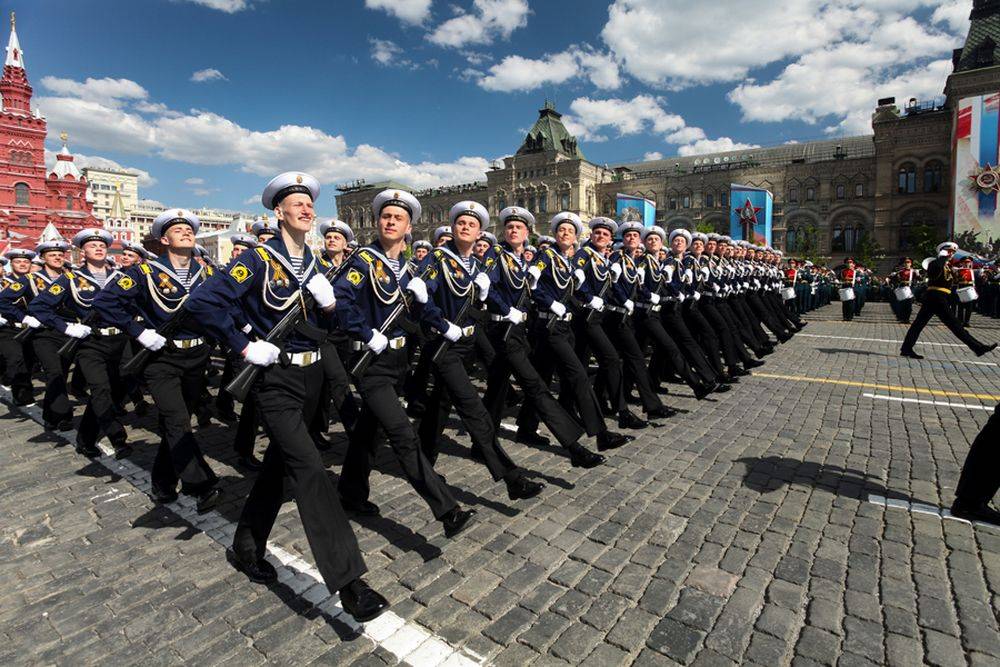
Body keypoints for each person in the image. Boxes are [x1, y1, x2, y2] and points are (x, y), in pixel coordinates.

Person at [186, 172, 389, 622]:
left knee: (282, 468)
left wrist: (333, 306)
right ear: (278, 212)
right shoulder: (258, 260)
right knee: (311, 470)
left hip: (313, 377)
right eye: (296, 203)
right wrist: (241, 344)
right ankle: (351, 584)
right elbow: (203, 304)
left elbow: (333, 328)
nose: (306, 209)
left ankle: (246, 544)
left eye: (309, 204)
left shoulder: (313, 264)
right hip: (275, 380)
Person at [332, 188, 476, 537]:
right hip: (372, 360)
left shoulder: (408, 268)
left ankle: (350, 492)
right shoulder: (363, 260)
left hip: (397, 360)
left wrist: (446, 327)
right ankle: (447, 510)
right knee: (402, 434)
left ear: (409, 226)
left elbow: (423, 309)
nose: (390, 221)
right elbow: (340, 299)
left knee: (369, 430)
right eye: (386, 216)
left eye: (398, 217)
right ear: (378, 222)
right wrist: (364, 332)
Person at [414, 200, 544, 500]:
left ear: (480, 233)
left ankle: (423, 457)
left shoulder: (474, 265)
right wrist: (442, 324)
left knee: (440, 405)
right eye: (461, 223)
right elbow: (422, 297)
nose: (466, 227)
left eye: (472, 225)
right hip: (444, 344)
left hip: (465, 345)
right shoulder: (437, 259)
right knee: (473, 409)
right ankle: (511, 477)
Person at [96, 211, 224, 511]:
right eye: (178, 230)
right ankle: (199, 483)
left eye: (189, 229)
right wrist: (139, 332)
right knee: (177, 420)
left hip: (197, 357)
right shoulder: (145, 273)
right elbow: (105, 302)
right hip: (161, 358)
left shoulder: (206, 274)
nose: (186, 233)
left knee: (177, 425)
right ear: (164, 240)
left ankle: (162, 483)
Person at [481, 206, 604, 468]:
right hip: (502, 330)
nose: (514, 231)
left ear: (527, 232)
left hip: (519, 331)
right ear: (505, 230)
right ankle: (574, 447)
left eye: (519, 227)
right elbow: (488, 287)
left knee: (497, 389)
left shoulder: (523, 259)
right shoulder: (496, 254)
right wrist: (507, 310)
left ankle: (483, 443)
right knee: (535, 386)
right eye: (510, 227)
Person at [515, 211, 633, 453]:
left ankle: (526, 428)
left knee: (543, 378)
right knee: (579, 375)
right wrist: (548, 301)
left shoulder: (567, 261)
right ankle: (600, 434)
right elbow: (531, 284)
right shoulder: (546, 254)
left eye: (570, 231)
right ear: (556, 233)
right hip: (549, 328)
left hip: (563, 327)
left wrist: (581, 298)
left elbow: (572, 293)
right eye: (561, 230)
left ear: (576, 236)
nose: (565, 233)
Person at [30, 228, 132, 458]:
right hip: (90, 343)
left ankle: (86, 438)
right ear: (82, 251)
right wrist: (67, 327)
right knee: (100, 389)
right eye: (92, 245)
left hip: (119, 340)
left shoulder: (121, 278)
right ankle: (118, 438)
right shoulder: (71, 279)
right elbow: (39, 307)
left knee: (117, 391)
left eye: (102, 245)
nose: (98, 248)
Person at [900, 242, 997, 359]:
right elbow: (935, 272)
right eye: (949, 251)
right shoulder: (934, 263)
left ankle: (906, 348)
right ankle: (978, 347)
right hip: (935, 296)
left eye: (952, 252)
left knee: (919, 324)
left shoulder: (947, 266)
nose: (951, 254)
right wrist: (942, 257)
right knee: (954, 324)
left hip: (940, 297)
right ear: (942, 251)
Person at [0, 247, 43, 406]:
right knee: (16, 359)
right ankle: (20, 392)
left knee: (30, 362)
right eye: (18, 261)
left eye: (26, 261)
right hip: (9, 328)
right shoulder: (5, 283)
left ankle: (23, 391)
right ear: (11, 264)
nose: (23, 264)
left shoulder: (37, 282)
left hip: (32, 328)